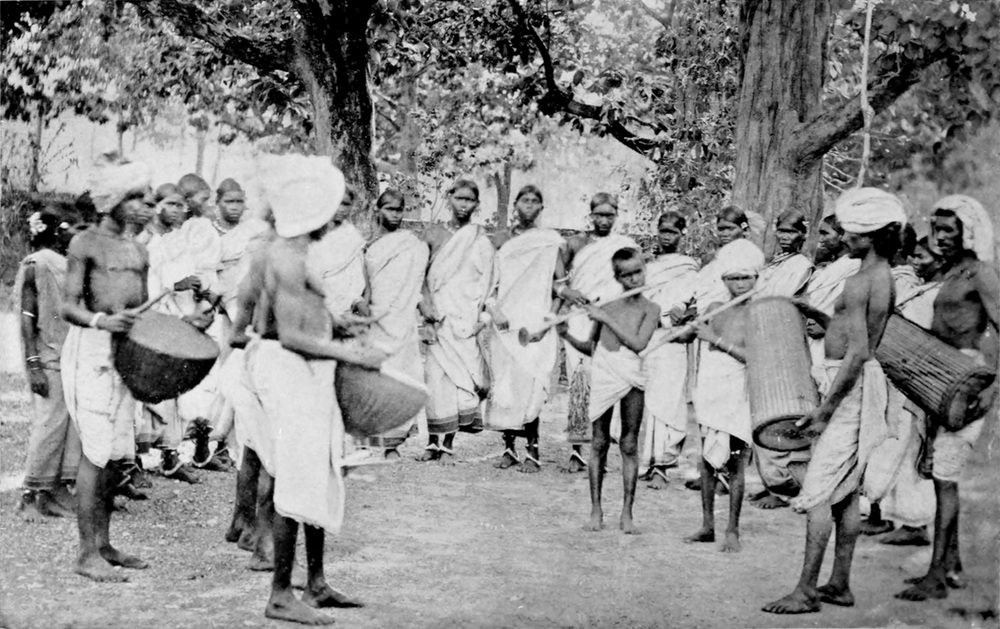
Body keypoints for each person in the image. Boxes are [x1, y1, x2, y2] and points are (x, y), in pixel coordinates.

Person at [247, 152, 383, 624]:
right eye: (331, 208)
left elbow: (304, 318)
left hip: (308, 371)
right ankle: (280, 594)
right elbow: (290, 336)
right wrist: (351, 354)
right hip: (290, 370)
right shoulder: (285, 255)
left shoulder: (301, 251)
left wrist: (337, 325)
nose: (337, 216)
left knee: (319, 472)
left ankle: (317, 583)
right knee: (296, 478)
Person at [61, 155, 211, 582]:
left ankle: (104, 544)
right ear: (113, 200)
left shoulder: (139, 250)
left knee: (115, 454)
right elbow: (68, 305)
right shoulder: (85, 244)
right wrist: (100, 321)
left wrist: (186, 323)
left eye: (147, 198)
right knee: (95, 452)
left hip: (126, 354)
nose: (146, 206)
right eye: (137, 198)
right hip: (91, 351)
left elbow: (144, 314)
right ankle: (85, 554)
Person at [763, 187, 904, 614]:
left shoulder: (864, 280)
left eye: (851, 233)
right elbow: (854, 333)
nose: (844, 239)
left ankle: (806, 590)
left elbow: (859, 352)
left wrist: (825, 412)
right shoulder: (877, 276)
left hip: (848, 389)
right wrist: (819, 315)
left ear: (871, 236)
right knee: (845, 492)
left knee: (819, 489)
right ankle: (839, 583)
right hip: (851, 384)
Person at [896, 195, 998, 601]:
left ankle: (936, 575)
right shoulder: (952, 271)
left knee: (945, 476)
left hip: (967, 381)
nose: (938, 237)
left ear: (968, 232)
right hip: (940, 379)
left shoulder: (982, 273)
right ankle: (952, 566)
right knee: (937, 471)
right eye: (935, 229)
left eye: (948, 230)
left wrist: (992, 388)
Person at [559, 248, 659, 534]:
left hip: (631, 375)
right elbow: (591, 348)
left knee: (629, 443)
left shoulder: (651, 309)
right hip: (603, 374)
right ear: (617, 277)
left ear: (644, 270)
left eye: (637, 272)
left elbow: (639, 344)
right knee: (599, 442)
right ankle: (596, 511)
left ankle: (627, 513)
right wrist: (565, 334)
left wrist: (604, 318)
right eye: (626, 275)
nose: (634, 279)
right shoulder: (607, 305)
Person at [681, 240, 763, 552]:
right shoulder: (715, 307)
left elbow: (755, 357)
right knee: (706, 459)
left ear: (756, 278)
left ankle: (733, 529)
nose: (740, 284)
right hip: (711, 390)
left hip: (739, 393)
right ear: (724, 280)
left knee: (736, 463)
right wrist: (686, 326)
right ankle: (707, 526)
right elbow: (691, 336)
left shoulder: (761, 312)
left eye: (746, 278)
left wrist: (714, 339)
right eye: (733, 278)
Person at [860, 237, 942, 547]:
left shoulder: (935, 295)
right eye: (915, 256)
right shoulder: (918, 289)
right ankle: (884, 514)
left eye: (924, 257)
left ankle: (915, 523)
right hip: (896, 376)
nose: (917, 262)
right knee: (889, 445)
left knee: (912, 450)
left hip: (917, 382)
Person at [483, 185, 569, 472]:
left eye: (535, 201)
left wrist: (549, 320)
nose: (529, 206)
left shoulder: (549, 242)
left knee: (532, 386)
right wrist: (494, 311)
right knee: (506, 385)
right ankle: (509, 449)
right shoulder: (501, 240)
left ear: (541, 208)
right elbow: (488, 285)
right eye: (525, 200)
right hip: (505, 324)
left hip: (535, 324)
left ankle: (533, 452)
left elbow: (560, 286)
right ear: (515, 205)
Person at [418, 179, 495, 463]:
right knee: (435, 379)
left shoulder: (480, 240)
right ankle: (431, 442)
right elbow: (419, 275)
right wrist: (425, 306)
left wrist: (481, 319)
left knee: (461, 381)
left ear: (477, 204)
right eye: (459, 198)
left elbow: (489, 283)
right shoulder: (432, 234)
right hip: (438, 318)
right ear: (449, 198)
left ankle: (448, 444)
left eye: (469, 200)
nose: (464, 205)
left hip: (465, 319)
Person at [561, 193, 636, 472]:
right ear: (590, 215)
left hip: (611, 320)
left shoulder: (625, 246)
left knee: (606, 381)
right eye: (599, 215)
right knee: (579, 380)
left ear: (616, 216)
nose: (604, 220)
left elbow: (635, 280)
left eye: (609, 215)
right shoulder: (575, 243)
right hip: (580, 318)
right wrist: (567, 293)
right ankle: (576, 449)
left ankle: (600, 450)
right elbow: (557, 280)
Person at [16, 204, 81, 521]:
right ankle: (29, 496)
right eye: (74, 229)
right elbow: (27, 317)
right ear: (58, 231)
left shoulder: (69, 264)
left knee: (68, 424)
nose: (78, 235)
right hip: (47, 356)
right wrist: (34, 364)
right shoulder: (37, 264)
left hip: (68, 354)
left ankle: (53, 492)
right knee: (49, 424)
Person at [362, 189, 430, 457]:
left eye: (399, 209)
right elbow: (363, 287)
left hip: (403, 323)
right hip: (376, 322)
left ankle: (393, 444)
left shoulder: (411, 245)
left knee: (402, 379)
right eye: (390, 208)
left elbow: (419, 283)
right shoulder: (367, 246)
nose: (395, 214)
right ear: (377, 209)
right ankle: (370, 440)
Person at [639, 212, 699, 488]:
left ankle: (663, 464)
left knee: (669, 400)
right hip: (648, 337)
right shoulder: (648, 267)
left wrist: (682, 309)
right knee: (648, 399)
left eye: (672, 232)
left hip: (673, 339)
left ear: (682, 235)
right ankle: (647, 461)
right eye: (663, 231)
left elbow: (693, 302)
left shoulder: (689, 268)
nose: (666, 237)